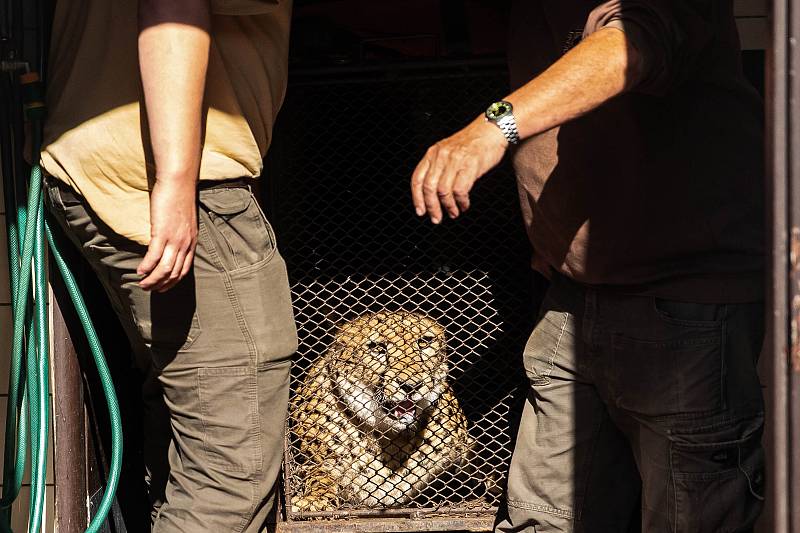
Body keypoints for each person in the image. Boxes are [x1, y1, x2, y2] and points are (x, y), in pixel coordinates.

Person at [411, 2, 765, 532]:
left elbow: (629, 44)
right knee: (542, 519)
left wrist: (492, 129)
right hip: (570, 299)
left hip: (686, 310)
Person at [41, 0, 297, 531]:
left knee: (186, 415)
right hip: (171, 191)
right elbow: (172, 7)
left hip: (98, 176)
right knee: (230, 470)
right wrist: (177, 181)